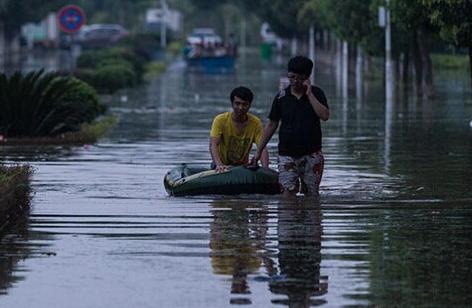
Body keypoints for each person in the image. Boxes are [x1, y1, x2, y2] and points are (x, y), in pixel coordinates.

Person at [252, 56, 330, 197]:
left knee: (312, 195)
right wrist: (258, 151)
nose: (295, 81)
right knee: (287, 195)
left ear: (307, 78)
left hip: (312, 154)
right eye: (292, 77)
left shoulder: (317, 94)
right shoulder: (281, 97)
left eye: (299, 78)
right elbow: (271, 124)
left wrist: (309, 94)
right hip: (287, 154)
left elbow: (324, 116)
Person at [210, 86, 269, 172]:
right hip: (221, 164)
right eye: (237, 104)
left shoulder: (256, 123)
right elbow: (213, 145)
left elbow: (262, 147)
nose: (240, 108)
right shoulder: (220, 120)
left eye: (244, 104)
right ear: (232, 104)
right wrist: (219, 165)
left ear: (250, 105)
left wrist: (265, 169)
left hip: (242, 167)